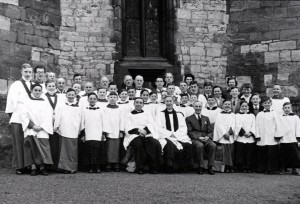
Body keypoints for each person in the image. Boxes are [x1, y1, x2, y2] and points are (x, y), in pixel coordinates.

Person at [5, 63, 34, 174]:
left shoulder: (34, 84)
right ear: (21, 72)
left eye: (29, 72)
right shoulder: (16, 85)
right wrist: (12, 116)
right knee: (18, 142)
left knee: (28, 142)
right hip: (17, 117)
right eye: (26, 72)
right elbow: (11, 101)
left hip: (30, 118)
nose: (27, 74)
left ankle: (28, 165)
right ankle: (19, 166)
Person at [22, 83, 53, 176]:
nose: (37, 92)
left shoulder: (45, 102)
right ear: (32, 91)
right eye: (35, 90)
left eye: (39, 90)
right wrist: (32, 126)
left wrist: (42, 127)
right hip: (31, 129)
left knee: (44, 148)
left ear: (42, 91)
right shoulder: (26, 101)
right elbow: (24, 115)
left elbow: (49, 115)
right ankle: (33, 167)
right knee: (32, 147)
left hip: (42, 129)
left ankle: (42, 167)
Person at [124, 98, 162, 174]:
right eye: (137, 102)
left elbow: (151, 124)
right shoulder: (129, 115)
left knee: (155, 144)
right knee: (139, 144)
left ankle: (154, 167)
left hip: (147, 133)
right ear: (134, 104)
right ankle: (140, 168)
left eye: (140, 103)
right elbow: (128, 127)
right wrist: (138, 130)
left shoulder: (147, 113)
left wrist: (145, 131)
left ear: (143, 104)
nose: (138, 104)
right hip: (134, 135)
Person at [156, 96, 193, 172]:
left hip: (178, 136)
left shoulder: (179, 114)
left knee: (187, 145)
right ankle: (170, 166)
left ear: (173, 102)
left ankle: (184, 167)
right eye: (167, 101)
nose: (169, 103)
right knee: (169, 145)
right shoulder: (160, 114)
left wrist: (175, 135)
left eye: (170, 101)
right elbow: (158, 127)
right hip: (166, 136)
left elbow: (183, 127)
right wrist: (170, 134)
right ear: (164, 102)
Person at [255, 96, 288, 174]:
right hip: (262, 136)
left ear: (271, 104)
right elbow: (256, 125)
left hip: (271, 136)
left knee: (271, 153)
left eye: (268, 103)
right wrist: (257, 135)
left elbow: (279, 124)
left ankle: (271, 169)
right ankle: (262, 168)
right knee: (262, 153)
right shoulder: (259, 114)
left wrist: (277, 135)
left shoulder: (275, 113)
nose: (267, 104)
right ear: (262, 104)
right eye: (265, 103)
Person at [54, 88, 82, 174]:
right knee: (64, 149)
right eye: (69, 94)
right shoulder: (61, 106)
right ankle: (64, 167)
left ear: (75, 96)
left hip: (74, 129)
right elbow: (57, 116)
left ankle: (72, 167)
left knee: (72, 150)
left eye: (72, 95)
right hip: (64, 129)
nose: (70, 96)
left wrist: (80, 129)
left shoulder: (79, 107)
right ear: (66, 96)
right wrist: (56, 126)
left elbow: (81, 118)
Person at [186, 101, 216, 175]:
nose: (198, 108)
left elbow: (210, 131)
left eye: (199, 106)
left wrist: (208, 137)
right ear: (193, 107)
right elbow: (189, 131)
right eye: (196, 106)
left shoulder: (206, 118)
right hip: (195, 138)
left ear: (202, 107)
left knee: (213, 145)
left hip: (206, 138)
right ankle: (200, 167)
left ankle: (210, 167)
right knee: (200, 146)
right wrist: (198, 137)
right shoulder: (189, 119)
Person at [81, 93, 106, 173]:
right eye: (90, 99)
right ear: (88, 100)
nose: (92, 100)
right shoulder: (84, 110)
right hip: (88, 132)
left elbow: (104, 122)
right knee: (89, 150)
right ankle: (90, 166)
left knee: (98, 150)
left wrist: (103, 133)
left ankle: (98, 166)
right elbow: (82, 122)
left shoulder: (101, 110)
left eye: (94, 99)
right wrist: (83, 134)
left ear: (96, 99)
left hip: (98, 132)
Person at [43, 80, 65, 171]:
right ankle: (47, 165)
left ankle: (56, 165)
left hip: (57, 123)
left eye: (53, 86)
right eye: (49, 86)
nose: (51, 87)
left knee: (56, 144)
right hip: (46, 123)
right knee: (47, 144)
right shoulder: (43, 97)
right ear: (46, 87)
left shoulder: (60, 97)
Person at [102, 92, 124, 172]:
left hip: (117, 131)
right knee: (108, 148)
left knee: (116, 148)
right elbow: (103, 120)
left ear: (117, 98)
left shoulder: (119, 109)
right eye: (111, 97)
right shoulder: (104, 108)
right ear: (108, 98)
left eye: (114, 97)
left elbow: (122, 120)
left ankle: (116, 163)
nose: (112, 98)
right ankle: (108, 163)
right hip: (108, 131)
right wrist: (104, 132)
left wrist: (121, 130)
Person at [213, 100, 236, 173]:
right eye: (225, 104)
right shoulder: (219, 115)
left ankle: (230, 166)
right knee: (223, 152)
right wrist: (224, 133)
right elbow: (218, 125)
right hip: (222, 136)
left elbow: (234, 124)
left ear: (231, 106)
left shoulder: (233, 114)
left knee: (230, 151)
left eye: (229, 104)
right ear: (222, 105)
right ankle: (224, 167)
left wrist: (229, 133)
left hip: (230, 135)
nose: (227, 105)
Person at [234, 101, 256, 173]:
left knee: (249, 153)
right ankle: (241, 167)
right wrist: (243, 133)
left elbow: (254, 125)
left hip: (250, 137)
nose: (244, 107)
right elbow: (237, 125)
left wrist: (250, 133)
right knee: (240, 152)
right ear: (240, 107)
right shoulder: (237, 115)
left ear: (248, 107)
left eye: (245, 106)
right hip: (241, 136)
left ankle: (248, 167)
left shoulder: (252, 115)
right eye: (242, 106)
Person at [280, 102, 300, 176]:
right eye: (285, 108)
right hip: (283, 139)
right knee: (283, 155)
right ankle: (282, 169)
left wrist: (298, 138)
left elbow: (298, 128)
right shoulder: (280, 117)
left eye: (288, 108)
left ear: (291, 108)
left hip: (292, 139)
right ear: (283, 109)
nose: (287, 109)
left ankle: (294, 169)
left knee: (294, 155)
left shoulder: (295, 117)